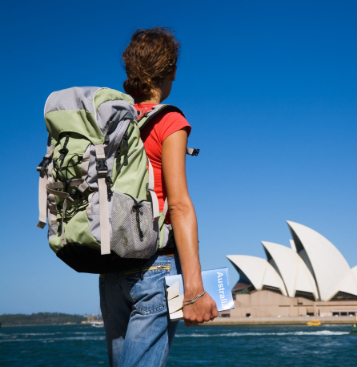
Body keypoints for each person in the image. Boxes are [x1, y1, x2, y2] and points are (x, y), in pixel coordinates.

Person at [99, 27, 218, 367]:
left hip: (111, 270)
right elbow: (179, 205)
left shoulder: (112, 124)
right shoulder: (169, 121)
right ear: (172, 71)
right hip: (155, 268)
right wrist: (193, 291)